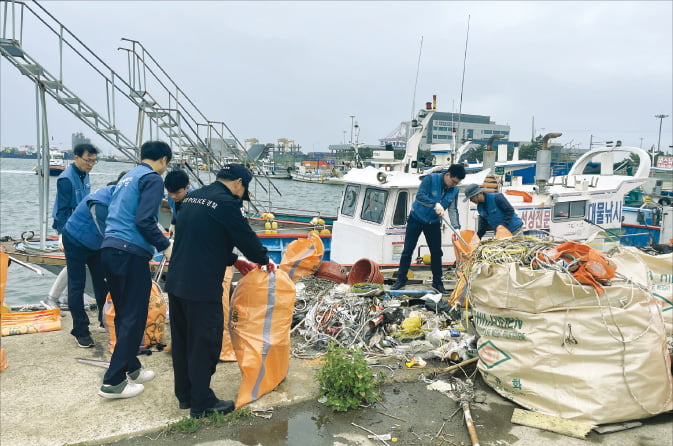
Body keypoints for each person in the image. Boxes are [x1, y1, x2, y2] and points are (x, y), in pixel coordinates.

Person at [165, 164, 271, 418]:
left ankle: (186, 396)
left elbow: (200, 238)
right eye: (242, 190)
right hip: (201, 286)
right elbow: (248, 241)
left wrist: (234, 260)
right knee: (206, 343)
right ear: (238, 183)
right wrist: (265, 261)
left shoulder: (193, 197)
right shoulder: (226, 203)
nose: (240, 195)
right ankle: (202, 404)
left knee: (183, 341)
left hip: (177, 281)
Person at [98, 141, 173, 399]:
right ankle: (113, 381)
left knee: (123, 314)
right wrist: (165, 245)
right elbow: (144, 220)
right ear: (163, 160)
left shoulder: (129, 176)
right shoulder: (153, 179)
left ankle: (132, 367)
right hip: (129, 252)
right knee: (134, 316)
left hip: (109, 248)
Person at [61, 172, 126, 348]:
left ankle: (104, 320)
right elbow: (111, 235)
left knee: (104, 284)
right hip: (75, 239)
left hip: (96, 244)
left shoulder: (125, 198)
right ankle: (80, 330)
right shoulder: (100, 203)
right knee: (77, 285)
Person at [391, 164, 466, 294]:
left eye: (457, 183)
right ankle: (401, 279)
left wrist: (457, 227)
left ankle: (437, 283)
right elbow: (420, 196)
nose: (453, 185)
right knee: (408, 250)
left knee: (437, 253)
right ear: (448, 175)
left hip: (434, 222)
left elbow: (453, 209)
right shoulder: (431, 179)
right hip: (416, 218)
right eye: (453, 181)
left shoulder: (454, 190)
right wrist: (434, 204)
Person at [42, 143, 100, 311]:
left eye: (94, 161)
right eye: (88, 160)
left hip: (82, 224)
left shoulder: (85, 174)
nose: (90, 164)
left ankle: (69, 298)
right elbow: (62, 209)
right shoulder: (66, 179)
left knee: (78, 262)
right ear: (76, 157)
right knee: (74, 262)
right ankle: (51, 298)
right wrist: (62, 234)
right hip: (67, 225)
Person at [164, 169, 195, 235]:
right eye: (170, 192)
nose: (173, 197)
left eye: (177, 193)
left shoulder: (195, 200)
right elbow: (175, 210)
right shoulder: (171, 197)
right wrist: (173, 223)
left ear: (187, 188)